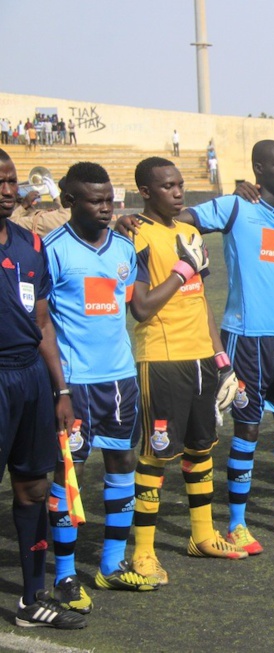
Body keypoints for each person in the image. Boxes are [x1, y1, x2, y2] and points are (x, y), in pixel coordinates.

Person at [186, 140, 274, 555]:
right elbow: (182, 216)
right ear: (257, 169)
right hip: (244, 337)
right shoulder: (234, 207)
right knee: (247, 429)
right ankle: (238, 524)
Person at [44, 162, 161, 612]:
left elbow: (135, 306)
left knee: (122, 464)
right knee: (67, 475)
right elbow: (42, 323)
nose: (106, 207)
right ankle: (66, 574)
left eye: (110, 199)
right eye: (95, 200)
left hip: (120, 379)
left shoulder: (123, 249)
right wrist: (59, 389)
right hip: (74, 382)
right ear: (69, 202)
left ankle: (111, 565)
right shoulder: (52, 251)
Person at [127, 157, 247, 586]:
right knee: (156, 456)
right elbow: (141, 307)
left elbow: (200, 301)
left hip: (201, 359)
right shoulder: (136, 235)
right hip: (162, 359)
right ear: (145, 191)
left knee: (201, 448)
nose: (178, 193)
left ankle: (202, 536)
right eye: (167, 187)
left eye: (180, 185)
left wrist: (222, 360)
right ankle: (142, 553)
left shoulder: (191, 233)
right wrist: (181, 269)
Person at [0, 149, 86, 629]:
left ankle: (32, 599)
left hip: (30, 376)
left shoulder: (29, 244)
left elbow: (42, 322)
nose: (7, 190)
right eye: (0, 181)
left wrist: (60, 390)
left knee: (34, 487)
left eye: (11, 181)